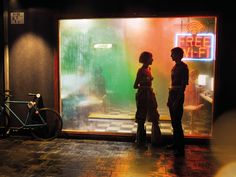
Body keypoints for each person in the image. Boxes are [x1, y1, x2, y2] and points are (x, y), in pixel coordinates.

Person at [134, 51, 162, 147]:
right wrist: (145, 88)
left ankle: (156, 140)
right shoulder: (140, 70)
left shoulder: (149, 69)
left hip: (149, 95)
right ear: (146, 59)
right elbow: (135, 85)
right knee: (142, 117)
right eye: (151, 58)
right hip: (143, 96)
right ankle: (141, 141)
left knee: (154, 116)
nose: (152, 59)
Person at [167, 47, 189, 156]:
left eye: (172, 54)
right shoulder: (175, 67)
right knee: (173, 122)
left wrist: (177, 100)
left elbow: (183, 86)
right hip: (173, 95)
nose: (171, 56)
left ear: (178, 55)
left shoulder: (184, 67)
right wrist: (169, 99)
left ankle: (180, 147)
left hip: (177, 96)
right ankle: (175, 144)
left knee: (177, 122)